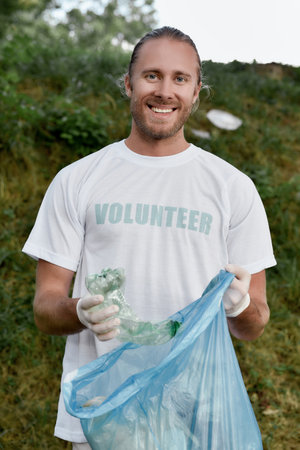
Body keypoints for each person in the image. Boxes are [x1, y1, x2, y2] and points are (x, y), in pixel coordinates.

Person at [22, 26, 276, 449]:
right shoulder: (78, 180)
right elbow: (45, 308)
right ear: (128, 83)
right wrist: (79, 311)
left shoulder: (232, 188)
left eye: (180, 78)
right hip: (104, 417)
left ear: (197, 92)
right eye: (151, 75)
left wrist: (241, 305)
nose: (165, 91)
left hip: (197, 416)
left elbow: (255, 325)